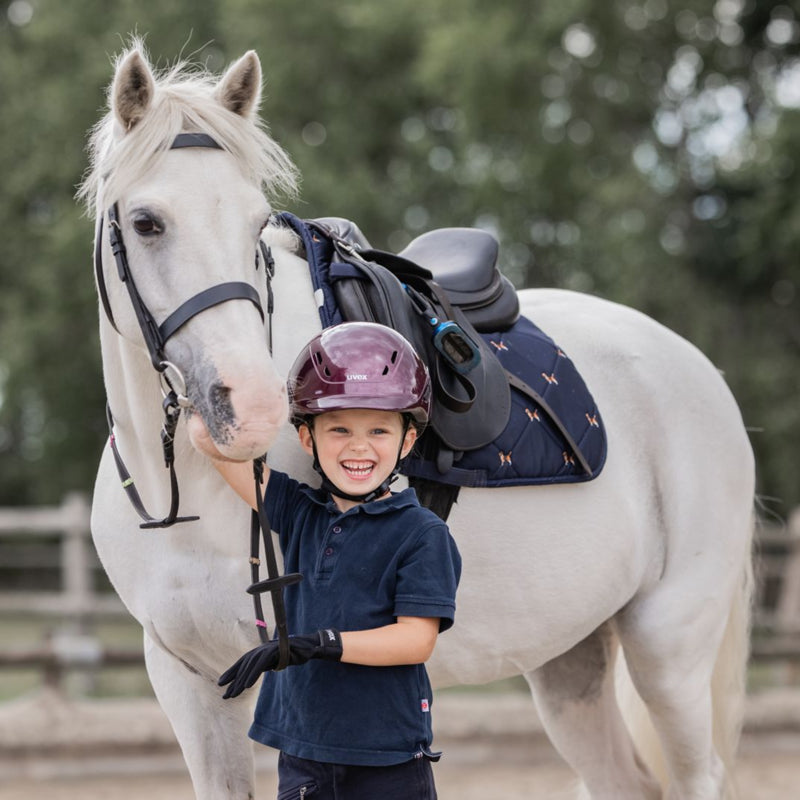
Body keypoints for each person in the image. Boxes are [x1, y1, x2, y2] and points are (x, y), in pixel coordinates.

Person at [213, 321, 462, 800]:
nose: (359, 446)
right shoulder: (299, 511)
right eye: (339, 429)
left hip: (387, 759)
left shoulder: (423, 534)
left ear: (408, 440)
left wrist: (319, 643)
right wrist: (200, 391)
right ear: (308, 439)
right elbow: (222, 450)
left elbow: (416, 640)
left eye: (378, 430)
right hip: (303, 753)